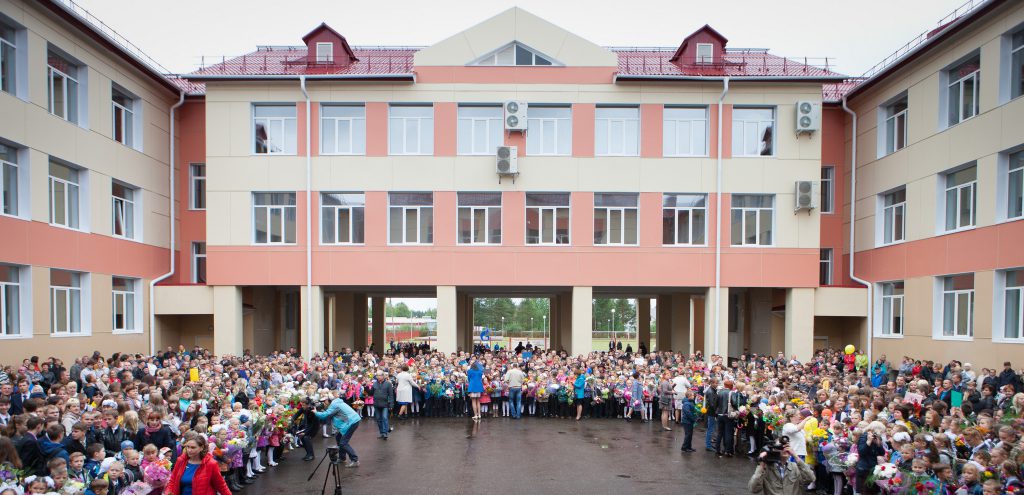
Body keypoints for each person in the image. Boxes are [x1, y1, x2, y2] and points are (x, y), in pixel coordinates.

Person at [164, 432, 232, 495]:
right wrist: (168, 493)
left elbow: (221, 485)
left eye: (193, 447)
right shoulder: (180, 461)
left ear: (201, 448)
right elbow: (172, 481)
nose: (189, 450)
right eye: (187, 447)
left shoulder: (211, 464)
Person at [747, 441, 814, 495]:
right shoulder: (766, 468)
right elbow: (753, 489)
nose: (785, 449)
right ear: (773, 449)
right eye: (781, 447)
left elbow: (811, 478)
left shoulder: (795, 467)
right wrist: (761, 465)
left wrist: (796, 457)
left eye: (787, 446)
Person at [314, 391, 361, 468]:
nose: (323, 403)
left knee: (343, 443)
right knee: (338, 437)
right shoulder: (336, 402)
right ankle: (342, 458)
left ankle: (355, 460)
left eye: (323, 401)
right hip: (351, 421)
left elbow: (325, 415)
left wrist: (315, 412)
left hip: (351, 422)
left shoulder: (334, 405)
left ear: (327, 400)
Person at [372, 372, 394, 439]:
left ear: (383, 376)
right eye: (377, 375)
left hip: (385, 404)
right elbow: (371, 393)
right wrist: (366, 388)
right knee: (378, 419)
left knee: (384, 418)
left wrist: (391, 404)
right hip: (376, 404)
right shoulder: (374, 384)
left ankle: (385, 433)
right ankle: (381, 433)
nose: (378, 377)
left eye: (379, 375)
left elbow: (391, 395)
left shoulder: (388, 384)